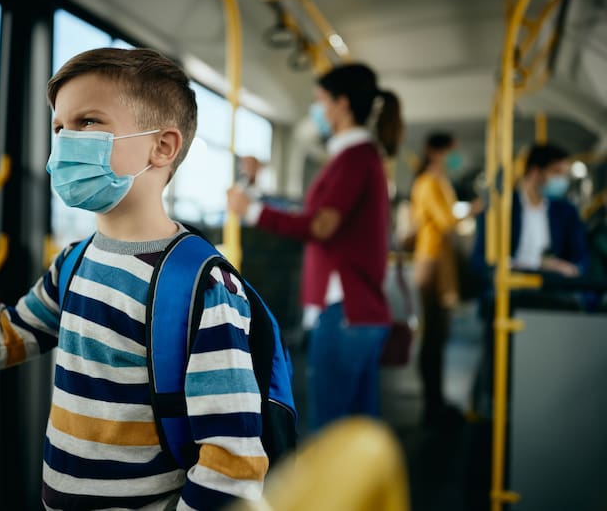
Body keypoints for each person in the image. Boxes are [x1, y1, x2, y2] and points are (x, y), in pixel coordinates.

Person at [0, 48, 269, 510]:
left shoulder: (201, 286)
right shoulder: (73, 262)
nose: (65, 140)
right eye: (59, 127)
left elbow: (232, 463)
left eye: (88, 122)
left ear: (162, 146)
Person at [227, 64, 402, 433]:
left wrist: (255, 212)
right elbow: (315, 216)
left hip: (345, 311)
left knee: (330, 432)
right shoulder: (356, 159)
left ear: (341, 105)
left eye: (320, 100)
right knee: (355, 432)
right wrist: (257, 198)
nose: (317, 109)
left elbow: (322, 224)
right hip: (356, 312)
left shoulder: (354, 158)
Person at [470, 142, 589, 416]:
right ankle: (495, 409)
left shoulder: (565, 212)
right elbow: (480, 261)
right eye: (557, 173)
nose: (561, 181)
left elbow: (580, 257)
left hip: (553, 293)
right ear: (536, 172)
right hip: (512, 291)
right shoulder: (501, 208)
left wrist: (569, 269)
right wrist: (536, 264)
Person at [410, 132, 480, 428]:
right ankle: (432, 404)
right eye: (450, 151)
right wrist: (473, 212)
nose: (455, 157)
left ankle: (436, 400)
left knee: (439, 336)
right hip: (432, 262)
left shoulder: (440, 182)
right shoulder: (428, 182)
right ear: (434, 152)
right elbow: (446, 221)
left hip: (441, 261)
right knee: (434, 336)